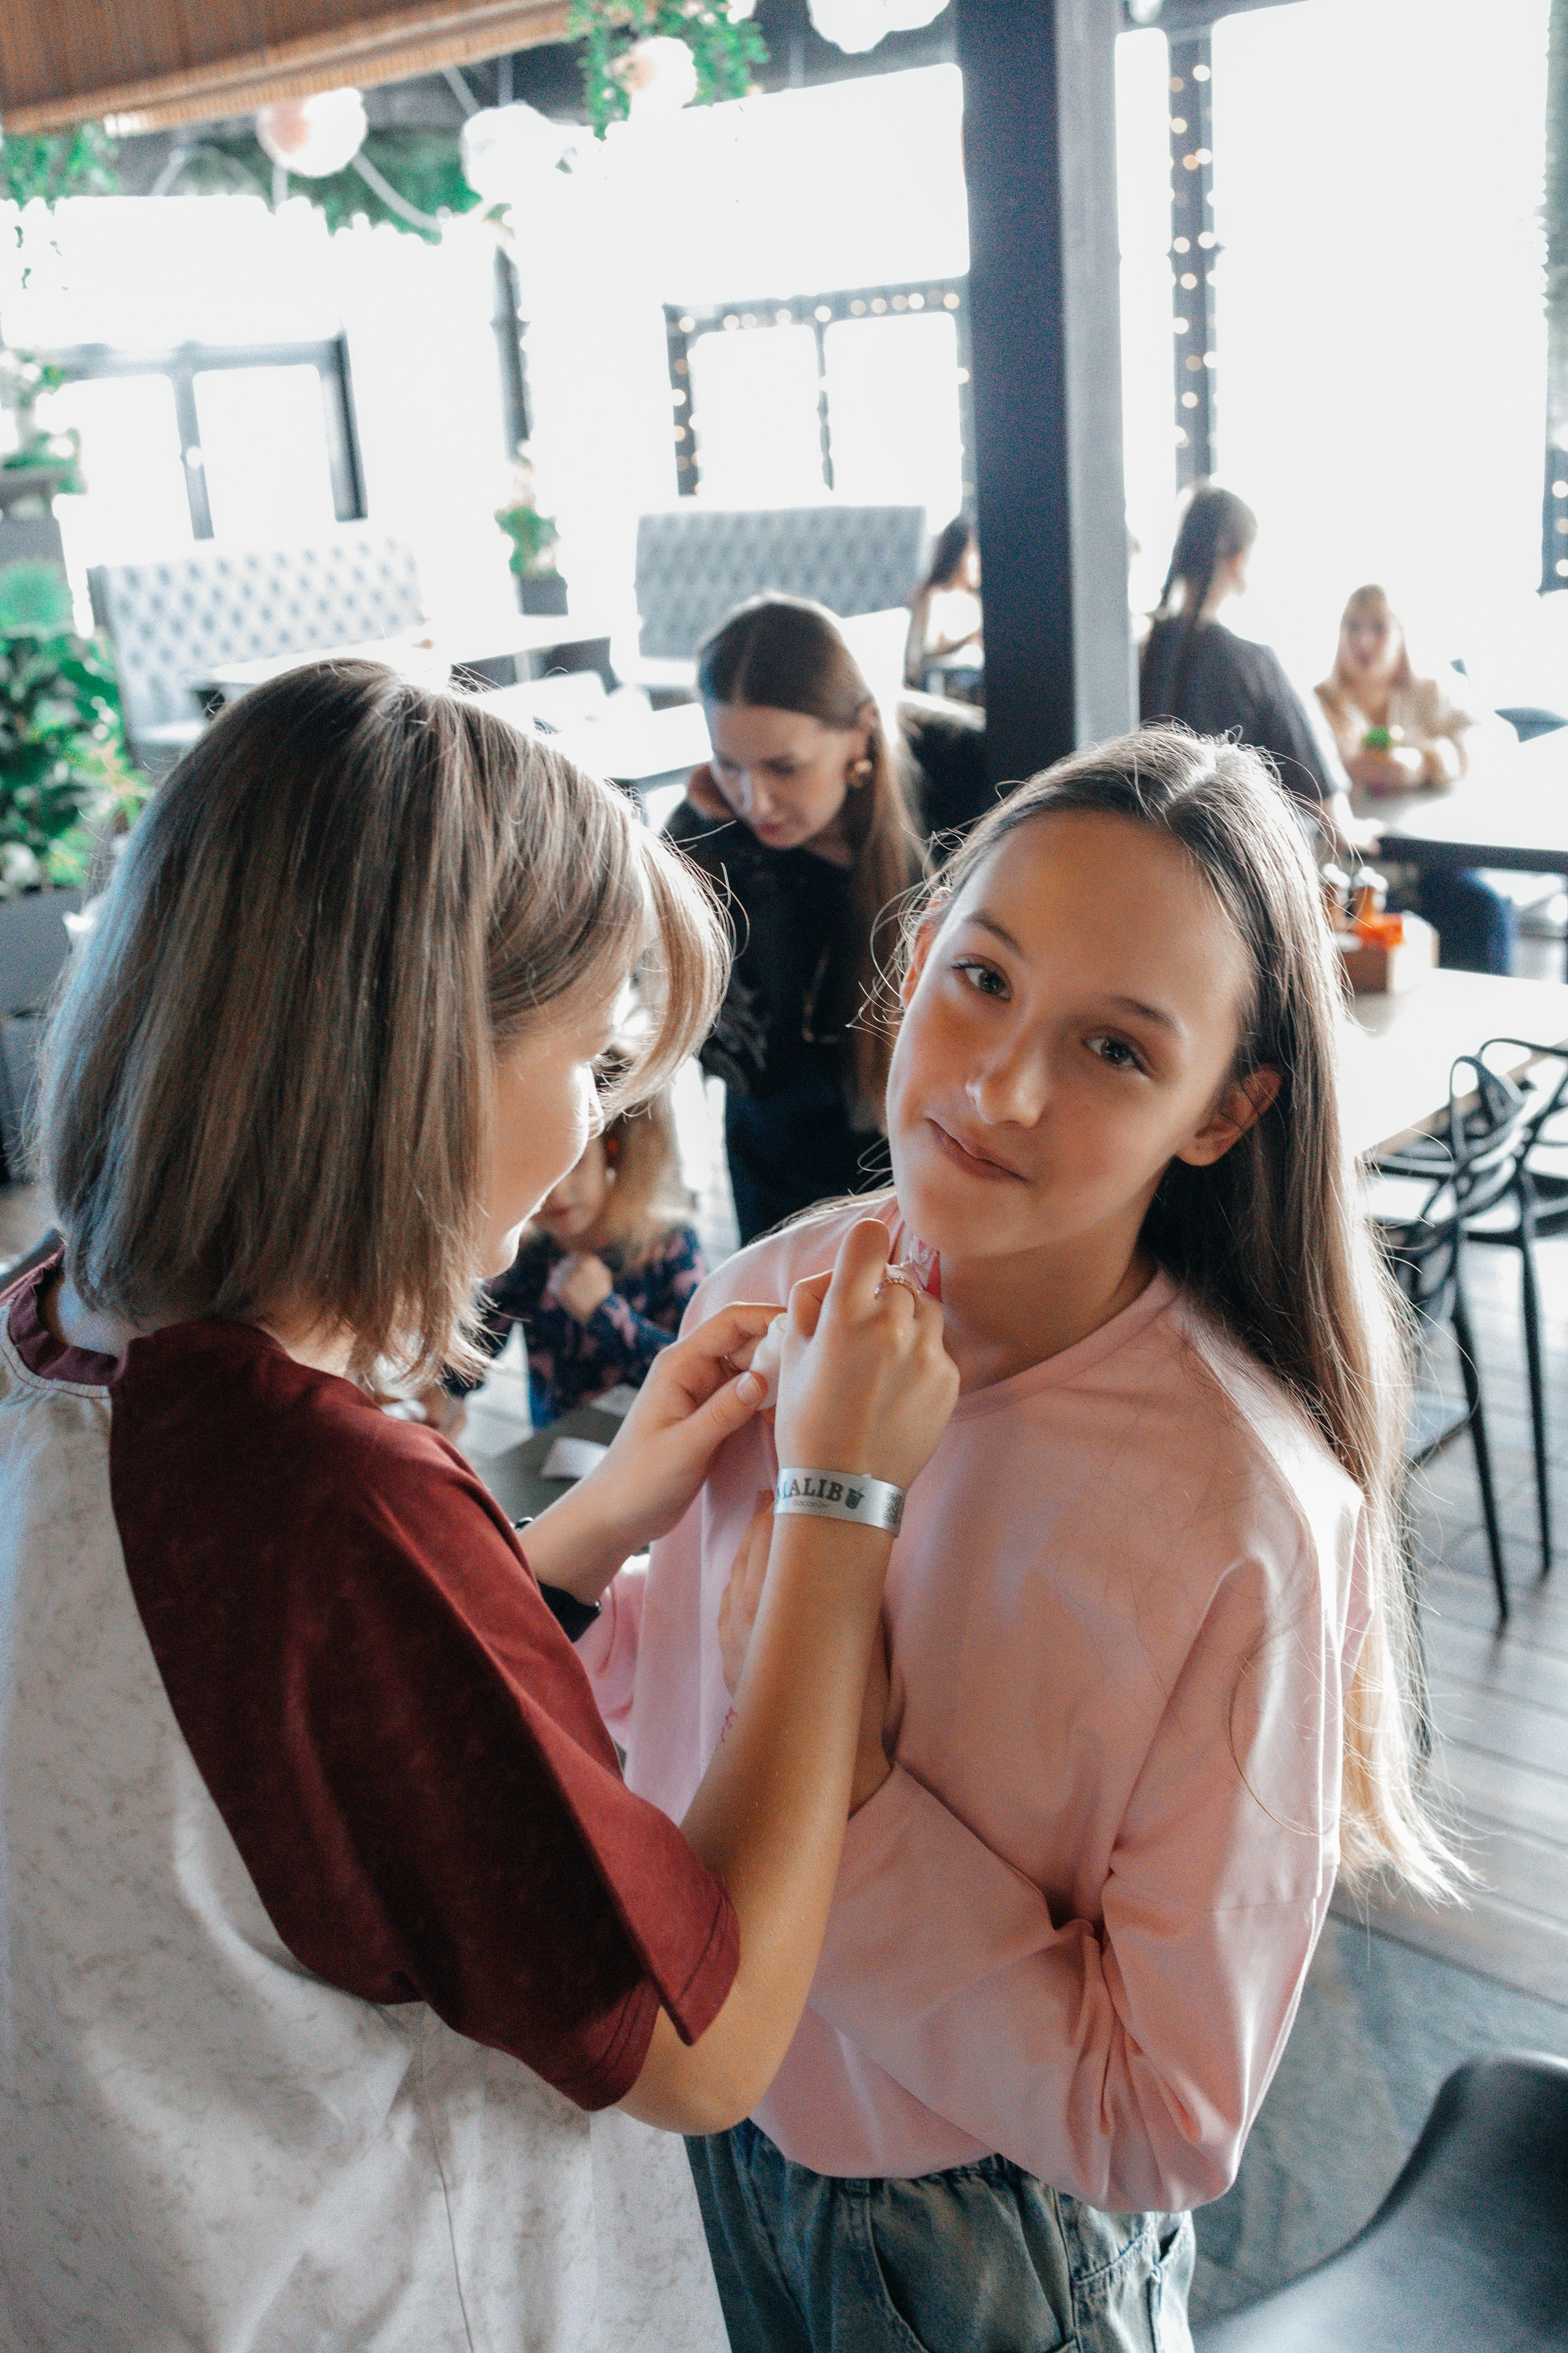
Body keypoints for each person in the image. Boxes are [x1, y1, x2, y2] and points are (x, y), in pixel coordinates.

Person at [0, 660, 960, 2351]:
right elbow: (705, 2040)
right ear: (422, 1060)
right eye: (590, 1058)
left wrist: (596, 1521)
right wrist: (837, 1498)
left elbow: (281, 1742)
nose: (594, 1124)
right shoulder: (319, 1501)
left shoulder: (56, 1328)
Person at [582, 727, 1460, 2353]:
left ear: (1224, 1111)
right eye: (983, 979)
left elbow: (1162, 2119)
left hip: (967, 2236)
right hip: (674, 2131)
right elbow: (664, 1674)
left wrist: (852, 1803)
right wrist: (594, 1564)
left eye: (1117, 1049)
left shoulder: (1242, 1523)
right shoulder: (769, 1296)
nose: (1003, 1087)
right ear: (918, 951)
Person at [668, 594, 993, 1245]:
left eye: (784, 767)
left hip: (933, 1158)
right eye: (728, 764)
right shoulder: (715, 841)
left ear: (861, 732)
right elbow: (743, 1063)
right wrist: (733, 861)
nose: (754, 799)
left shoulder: (962, 783)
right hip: (779, 1166)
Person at [427, 1086, 706, 1438]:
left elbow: (700, 1370)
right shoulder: (528, 1257)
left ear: (611, 1152)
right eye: (533, 1171)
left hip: (662, 1447)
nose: (557, 1193)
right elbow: (468, 1354)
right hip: (558, 1454)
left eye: (575, 1162)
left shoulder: (671, 1245)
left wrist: (605, 1312)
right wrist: (440, 1401)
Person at [1140, 483, 1376, 866]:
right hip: (1235, 874)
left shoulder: (1143, 651)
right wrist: (1346, 828)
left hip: (1148, 865)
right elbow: (1331, 814)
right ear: (1238, 561)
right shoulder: (1252, 663)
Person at [1316, 582, 1516, 973]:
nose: (1364, 641)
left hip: (1434, 861)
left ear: (1401, 635)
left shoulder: (1433, 690)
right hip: (1357, 865)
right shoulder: (1320, 702)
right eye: (1353, 627)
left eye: (1378, 628)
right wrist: (1347, 766)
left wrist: (1424, 764)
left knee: (1484, 911)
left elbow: (1491, 738)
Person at [905, 510, 983, 700]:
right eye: (974, 553)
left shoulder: (974, 600)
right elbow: (922, 656)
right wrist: (967, 639)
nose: (979, 562)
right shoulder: (935, 597)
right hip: (949, 687)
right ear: (958, 556)